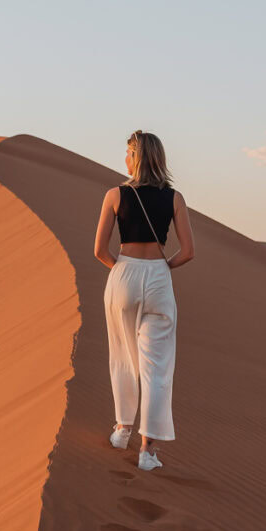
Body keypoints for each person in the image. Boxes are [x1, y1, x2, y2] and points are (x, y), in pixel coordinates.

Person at [93, 129, 195, 471]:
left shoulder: (114, 195)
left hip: (123, 275)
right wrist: (162, 268)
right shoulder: (175, 198)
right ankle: (148, 452)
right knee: (157, 368)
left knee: (122, 355)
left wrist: (123, 271)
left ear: (135, 157)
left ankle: (122, 429)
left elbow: (99, 251)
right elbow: (188, 252)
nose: (124, 158)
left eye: (127, 152)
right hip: (158, 277)